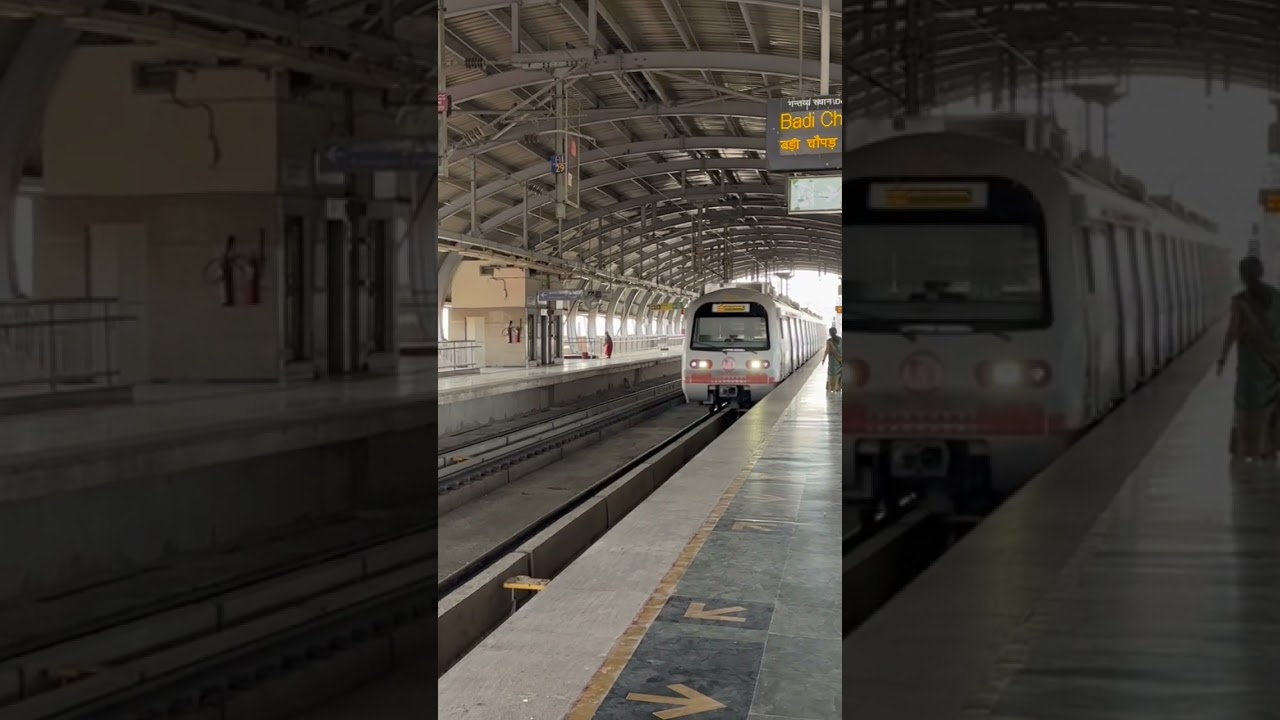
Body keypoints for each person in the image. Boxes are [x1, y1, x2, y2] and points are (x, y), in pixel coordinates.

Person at [1217, 256, 1280, 462]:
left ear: (1243, 276)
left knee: (1248, 407)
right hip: (1275, 363)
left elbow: (1232, 331)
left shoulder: (1240, 301)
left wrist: (1222, 358)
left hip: (1251, 366)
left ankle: (1248, 448)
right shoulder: (1276, 296)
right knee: (1273, 406)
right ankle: (1270, 449)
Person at [823, 326, 842, 392]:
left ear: (830, 333)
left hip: (832, 362)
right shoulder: (841, 339)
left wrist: (823, 359)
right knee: (839, 374)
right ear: (836, 332)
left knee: (831, 374)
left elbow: (826, 351)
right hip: (840, 360)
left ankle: (832, 387)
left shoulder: (829, 341)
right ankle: (838, 387)